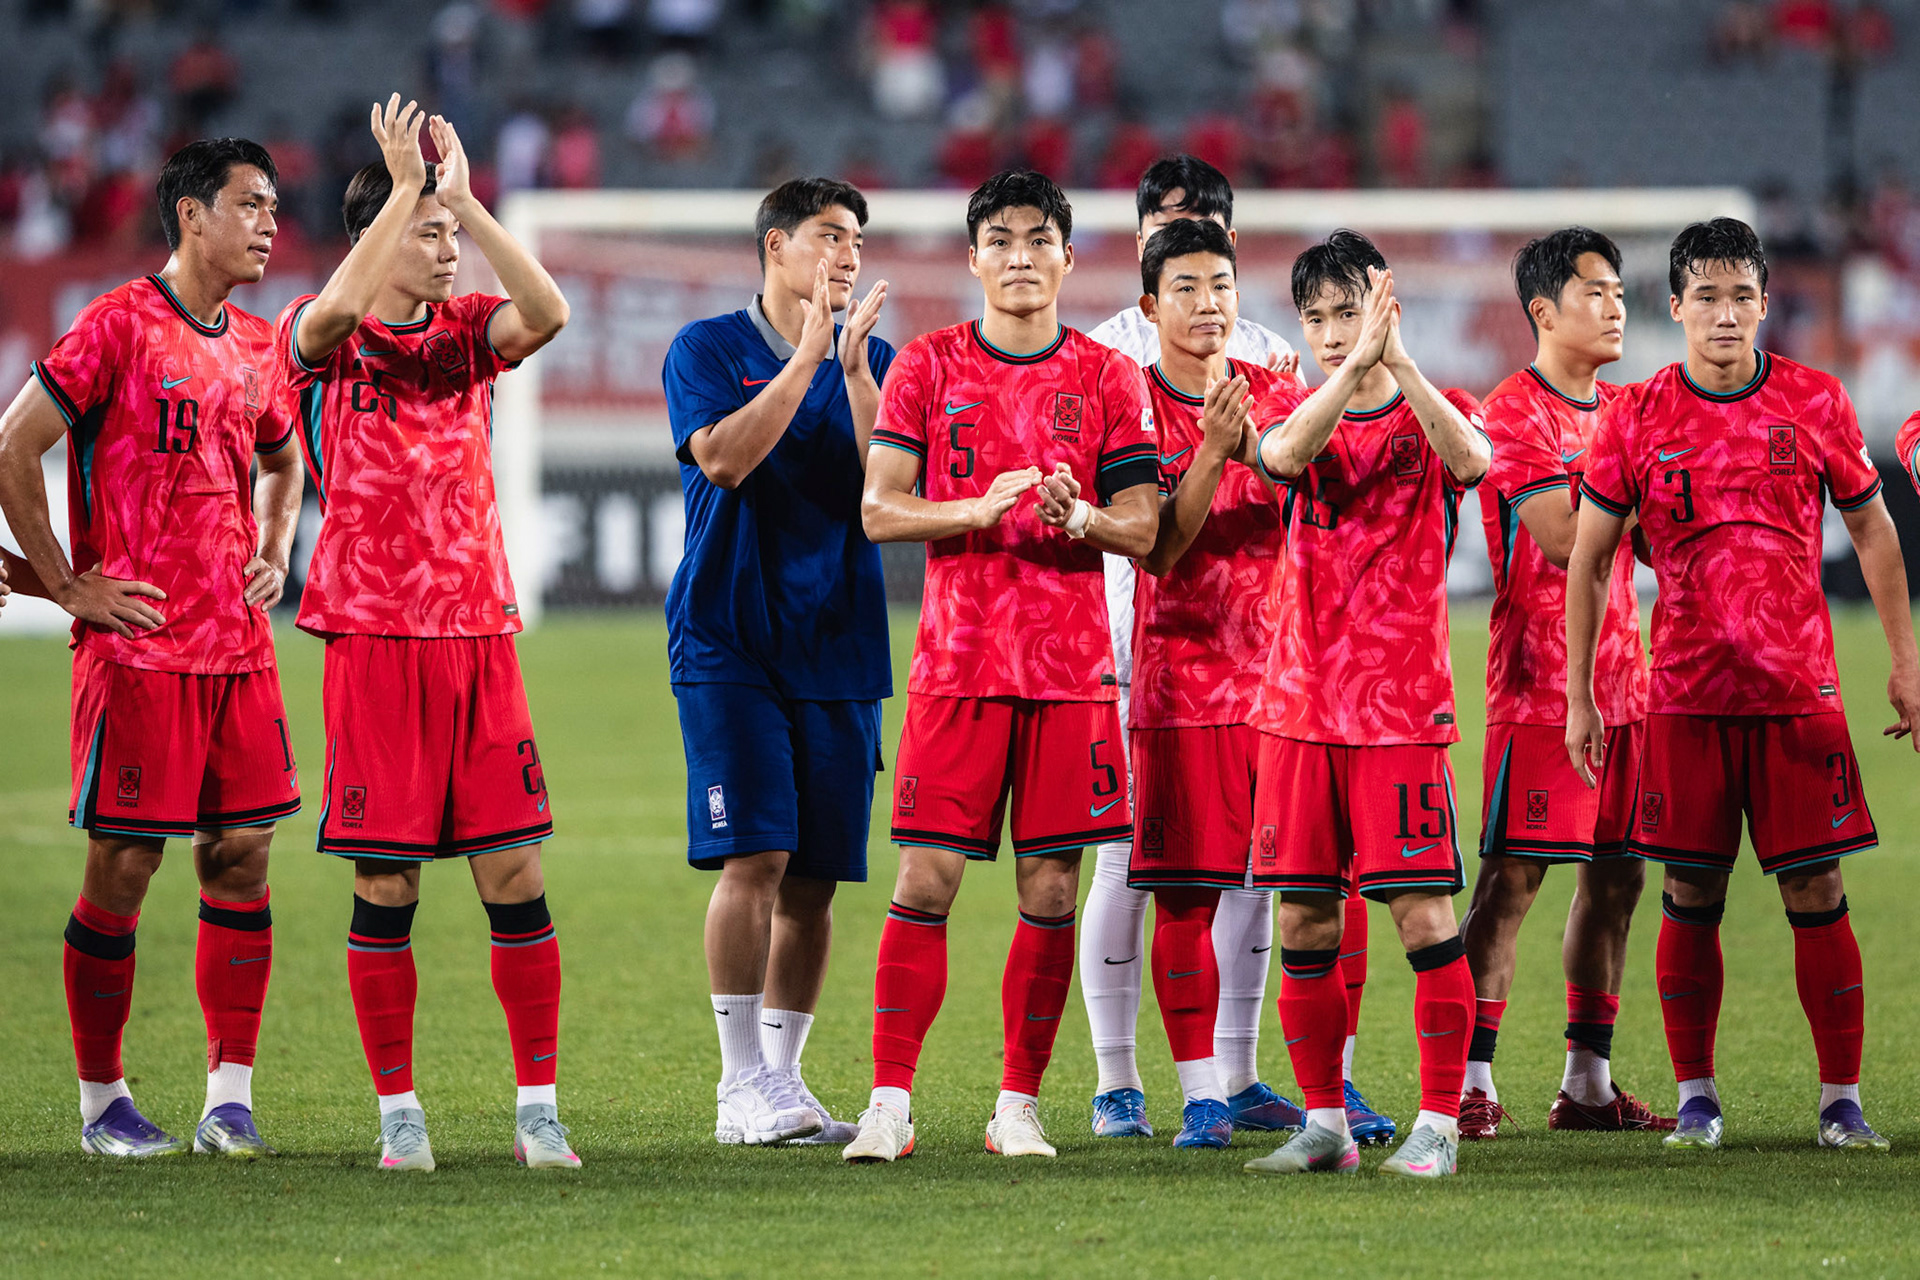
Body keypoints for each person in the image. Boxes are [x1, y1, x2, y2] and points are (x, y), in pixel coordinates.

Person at [1569, 217, 1919, 1152]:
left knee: (1818, 891)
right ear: (1675, 306)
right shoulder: (1636, 414)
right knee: (1690, 894)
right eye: (1706, 298)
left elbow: (1876, 531)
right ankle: (1697, 1098)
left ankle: (1841, 1101)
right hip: (1682, 695)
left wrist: (1905, 659)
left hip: (1799, 694)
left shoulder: (1816, 402)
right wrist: (1580, 694)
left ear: (1766, 305)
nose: (1725, 315)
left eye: (1742, 298)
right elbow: (1592, 559)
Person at [274, 96, 574, 1171]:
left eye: (453, 237)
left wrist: (465, 199)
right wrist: (403, 189)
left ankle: (537, 1106)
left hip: (477, 631)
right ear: (378, 238)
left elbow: (546, 311)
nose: (449, 254)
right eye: (431, 237)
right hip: (372, 639)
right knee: (387, 882)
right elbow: (318, 328)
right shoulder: (322, 332)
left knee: (516, 874)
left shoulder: (465, 339)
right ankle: (400, 1112)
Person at [844, 169, 1160, 1163]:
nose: (1020, 256)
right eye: (1001, 239)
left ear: (1068, 257)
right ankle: (888, 1100)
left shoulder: (1112, 378)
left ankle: (1016, 1104)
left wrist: (1086, 518)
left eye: (1039, 238)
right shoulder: (929, 366)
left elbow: (1146, 529)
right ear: (974, 257)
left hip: (1071, 675)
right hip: (959, 665)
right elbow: (878, 508)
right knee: (927, 879)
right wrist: (977, 508)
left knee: (1052, 893)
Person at [0, 137, 302, 1159]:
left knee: (243, 856)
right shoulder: (120, 325)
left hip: (239, 654)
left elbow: (282, 458)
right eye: (250, 204)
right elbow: (13, 443)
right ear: (190, 214)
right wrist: (66, 585)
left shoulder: (258, 343)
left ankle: (230, 1094)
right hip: (138, 654)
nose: (268, 222)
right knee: (125, 864)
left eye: (273, 206)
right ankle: (101, 1103)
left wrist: (272, 547)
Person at [1081, 154, 1391, 1145]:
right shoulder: (1105, 368)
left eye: (1216, 253)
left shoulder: (1272, 364)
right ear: (1143, 254)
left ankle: (1256, 1073)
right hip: (1146, 647)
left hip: (1276, 668)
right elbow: (1153, 536)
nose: (1207, 290)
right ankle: (1129, 1080)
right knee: (1137, 870)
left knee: (1282, 875)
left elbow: (1315, 487)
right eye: (1180, 245)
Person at [1239, 231, 1489, 1179]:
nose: (1335, 333)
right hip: (1298, 706)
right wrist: (1347, 375)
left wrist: (1403, 365)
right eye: (1318, 318)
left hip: (1400, 711)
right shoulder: (1286, 402)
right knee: (1304, 919)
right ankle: (1325, 1123)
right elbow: (1279, 457)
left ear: (1386, 308)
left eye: (1351, 312)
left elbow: (1470, 463)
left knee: (1423, 915)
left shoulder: (1439, 410)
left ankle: (1437, 1123)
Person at [661, 177, 893, 1148]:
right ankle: (735, 1081)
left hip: (839, 641)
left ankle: (786, 1081)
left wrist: (851, 373)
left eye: (856, 240)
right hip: (730, 637)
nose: (847, 255)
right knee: (754, 856)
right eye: (830, 236)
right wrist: (805, 359)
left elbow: (888, 487)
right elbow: (722, 459)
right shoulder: (705, 348)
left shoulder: (872, 358)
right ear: (776, 245)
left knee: (817, 880)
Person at [1457, 228, 1673, 1138]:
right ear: (1544, 311)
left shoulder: (1627, 408)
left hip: (1632, 686)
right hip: (1543, 688)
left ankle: (1587, 1080)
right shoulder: (1514, 412)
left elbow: (1664, 536)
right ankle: (1468, 1077)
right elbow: (1557, 537)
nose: (1618, 307)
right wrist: (1645, 496)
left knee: (1619, 880)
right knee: (1513, 881)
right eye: (1596, 292)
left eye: (1622, 292)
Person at [1120, 215, 1305, 1149]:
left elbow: (1322, 517)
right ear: (1151, 305)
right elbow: (1157, 548)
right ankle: (1198, 1095)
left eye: (1222, 287)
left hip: (1286, 686)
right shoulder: (1127, 402)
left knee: (1307, 890)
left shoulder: (1285, 395)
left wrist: (1265, 451)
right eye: (1186, 288)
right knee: (1188, 896)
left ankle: (1318, 1088)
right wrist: (1211, 452)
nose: (1207, 305)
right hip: (1182, 684)